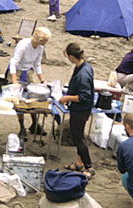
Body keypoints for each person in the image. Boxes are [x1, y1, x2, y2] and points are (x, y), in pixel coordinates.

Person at [6, 27, 52, 139]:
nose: (45, 43)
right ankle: (22, 127)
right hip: (16, 70)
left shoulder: (40, 47)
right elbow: (13, 62)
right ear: (38, 38)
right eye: (43, 40)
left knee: (34, 96)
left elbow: (37, 64)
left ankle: (34, 124)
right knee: (19, 100)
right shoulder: (23, 45)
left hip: (28, 70)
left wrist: (42, 80)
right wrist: (14, 81)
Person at [59, 43, 95, 179]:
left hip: (81, 110)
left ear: (71, 56)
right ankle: (79, 163)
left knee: (78, 138)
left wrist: (67, 97)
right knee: (78, 136)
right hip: (79, 109)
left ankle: (89, 167)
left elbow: (84, 97)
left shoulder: (83, 74)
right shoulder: (83, 66)